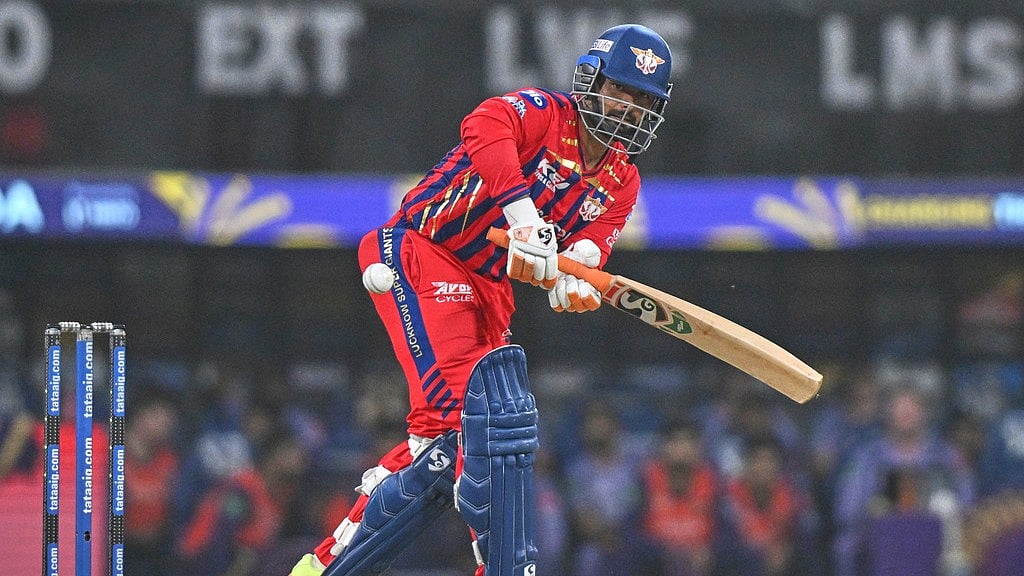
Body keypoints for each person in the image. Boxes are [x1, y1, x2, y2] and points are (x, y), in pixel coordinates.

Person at [289, 23, 674, 576]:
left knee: (452, 437)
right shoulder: (543, 112)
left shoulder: (622, 180)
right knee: (471, 421)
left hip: (487, 288)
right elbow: (481, 125)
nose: (628, 109)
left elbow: (587, 253)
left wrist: (575, 282)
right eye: (620, 90)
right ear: (591, 82)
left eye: (643, 101)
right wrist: (524, 218)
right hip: (423, 249)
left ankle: (324, 566)